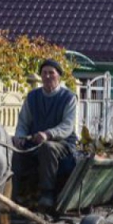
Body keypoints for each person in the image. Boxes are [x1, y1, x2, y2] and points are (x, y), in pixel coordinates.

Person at [12, 58, 78, 209]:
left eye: (51, 73)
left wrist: (48, 134)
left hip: (63, 144)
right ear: (40, 76)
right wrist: (19, 137)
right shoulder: (32, 97)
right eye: (44, 73)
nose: (48, 76)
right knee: (11, 148)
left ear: (58, 76)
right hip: (35, 141)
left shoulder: (68, 98)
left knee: (47, 148)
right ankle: (15, 192)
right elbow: (23, 121)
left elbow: (67, 126)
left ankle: (47, 194)